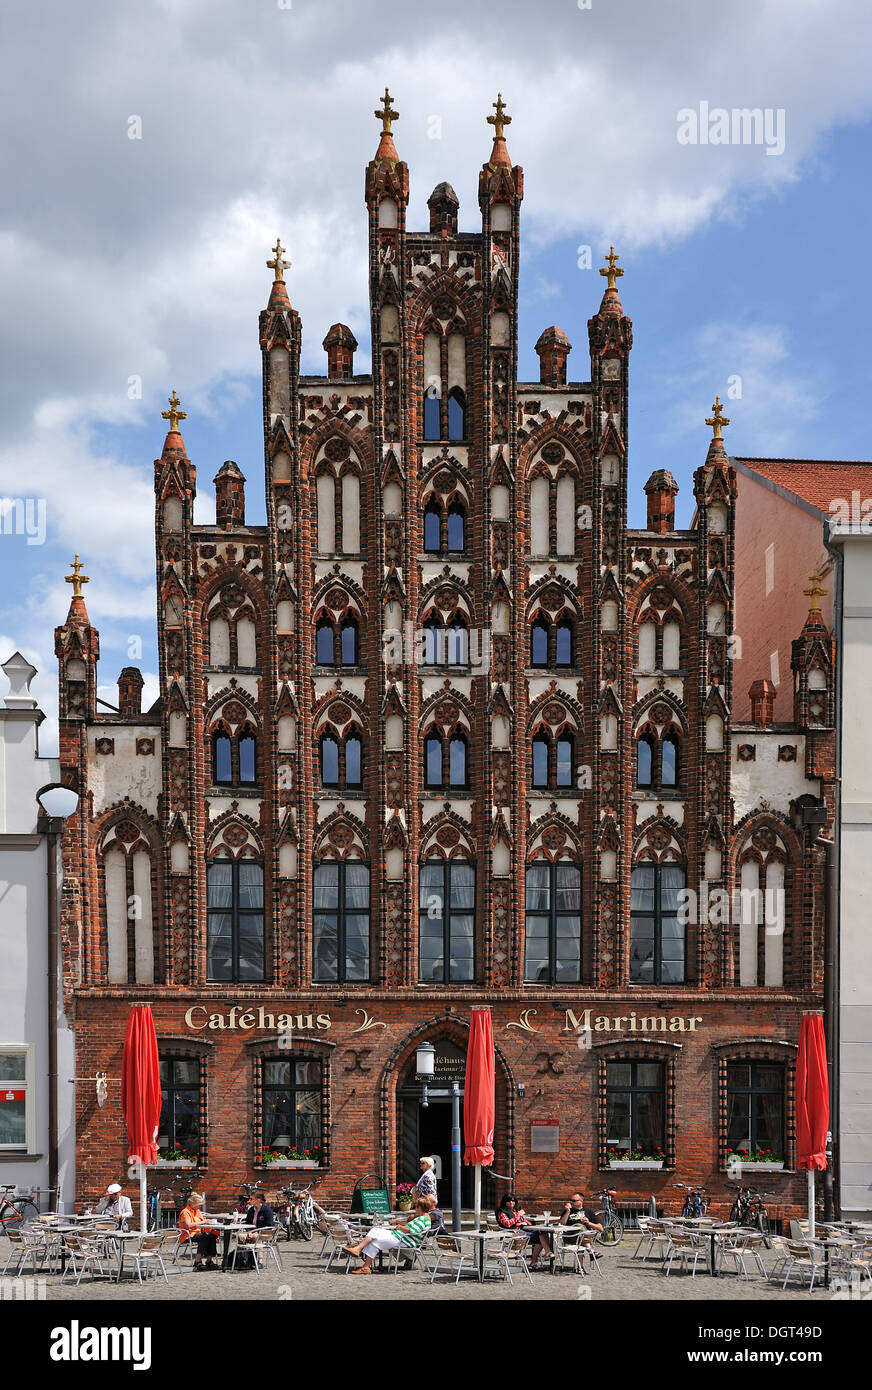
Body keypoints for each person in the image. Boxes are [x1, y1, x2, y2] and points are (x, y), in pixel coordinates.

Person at [343, 1196, 433, 1274]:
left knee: (374, 1232)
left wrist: (400, 1227)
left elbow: (413, 1230)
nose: (415, 1208)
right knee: (374, 1238)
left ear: (420, 1207)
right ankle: (365, 1267)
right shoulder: (424, 1218)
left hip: (402, 1239)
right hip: (400, 1237)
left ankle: (357, 1250)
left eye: (416, 1206)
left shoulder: (423, 1219)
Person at [495, 1192, 553, 1269]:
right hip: (512, 1236)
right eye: (508, 1201)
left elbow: (526, 1222)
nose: (511, 1202)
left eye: (513, 1201)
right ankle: (542, 1256)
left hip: (522, 1233)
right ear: (504, 1202)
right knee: (541, 1237)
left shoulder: (515, 1211)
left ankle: (545, 1254)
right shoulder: (502, 1212)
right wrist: (518, 1217)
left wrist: (523, 1222)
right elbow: (508, 1224)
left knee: (542, 1232)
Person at [557, 1192, 603, 1271]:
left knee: (581, 1239)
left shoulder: (588, 1212)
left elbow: (601, 1229)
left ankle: (580, 1268)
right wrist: (567, 1211)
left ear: (581, 1201)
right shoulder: (568, 1211)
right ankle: (591, 1252)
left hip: (582, 1238)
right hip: (569, 1236)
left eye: (574, 1200)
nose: (571, 1202)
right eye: (570, 1200)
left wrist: (589, 1223)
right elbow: (561, 1224)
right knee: (579, 1226)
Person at [178, 1191, 219, 1270]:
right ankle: (197, 1261)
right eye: (199, 1205)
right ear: (193, 1203)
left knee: (212, 1236)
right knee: (204, 1237)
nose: (200, 1207)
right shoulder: (185, 1212)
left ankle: (209, 1260)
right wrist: (203, 1222)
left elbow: (202, 1222)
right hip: (188, 1234)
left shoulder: (197, 1211)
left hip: (198, 1232)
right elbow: (189, 1225)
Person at [235, 1190, 275, 1270]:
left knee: (257, 1237)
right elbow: (248, 1223)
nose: (250, 1201)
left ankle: (259, 1261)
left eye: (252, 1199)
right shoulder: (251, 1210)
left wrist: (256, 1232)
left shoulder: (267, 1210)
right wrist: (249, 1232)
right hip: (252, 1232)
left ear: (259, 1199)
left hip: (264, 1233)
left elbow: (269, 1226)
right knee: (240, 1236)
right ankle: (242, 1259)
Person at [414, 1157, 444, 1233]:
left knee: (422, 1219)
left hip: (427, 1203)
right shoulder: (426, 1174)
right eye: (421, 1163)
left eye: (423, 1163)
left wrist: (427, 1202)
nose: (421, 1164)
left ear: (429, 1165)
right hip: (424, 1202)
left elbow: (431, 1191)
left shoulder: (428, 1176)